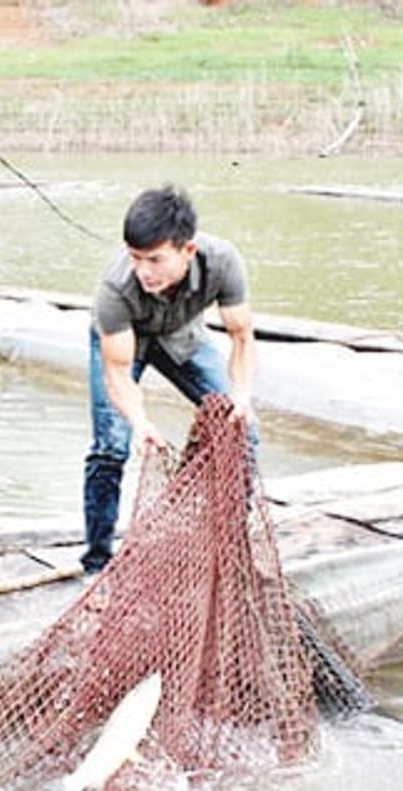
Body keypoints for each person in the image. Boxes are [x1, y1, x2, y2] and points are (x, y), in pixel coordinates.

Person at [81, 184, 257, 574]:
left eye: (155, 259)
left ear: (187, 251)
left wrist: (241, 396)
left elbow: (242, 338)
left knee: (245, 429)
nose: (143, 271)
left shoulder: (223, 262)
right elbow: (117, 372)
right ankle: (96, 565)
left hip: (181, 335)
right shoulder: (115, 288)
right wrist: (141, 423)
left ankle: (228, 552)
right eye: (135, 258)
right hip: (125, 341)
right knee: (111, 447)